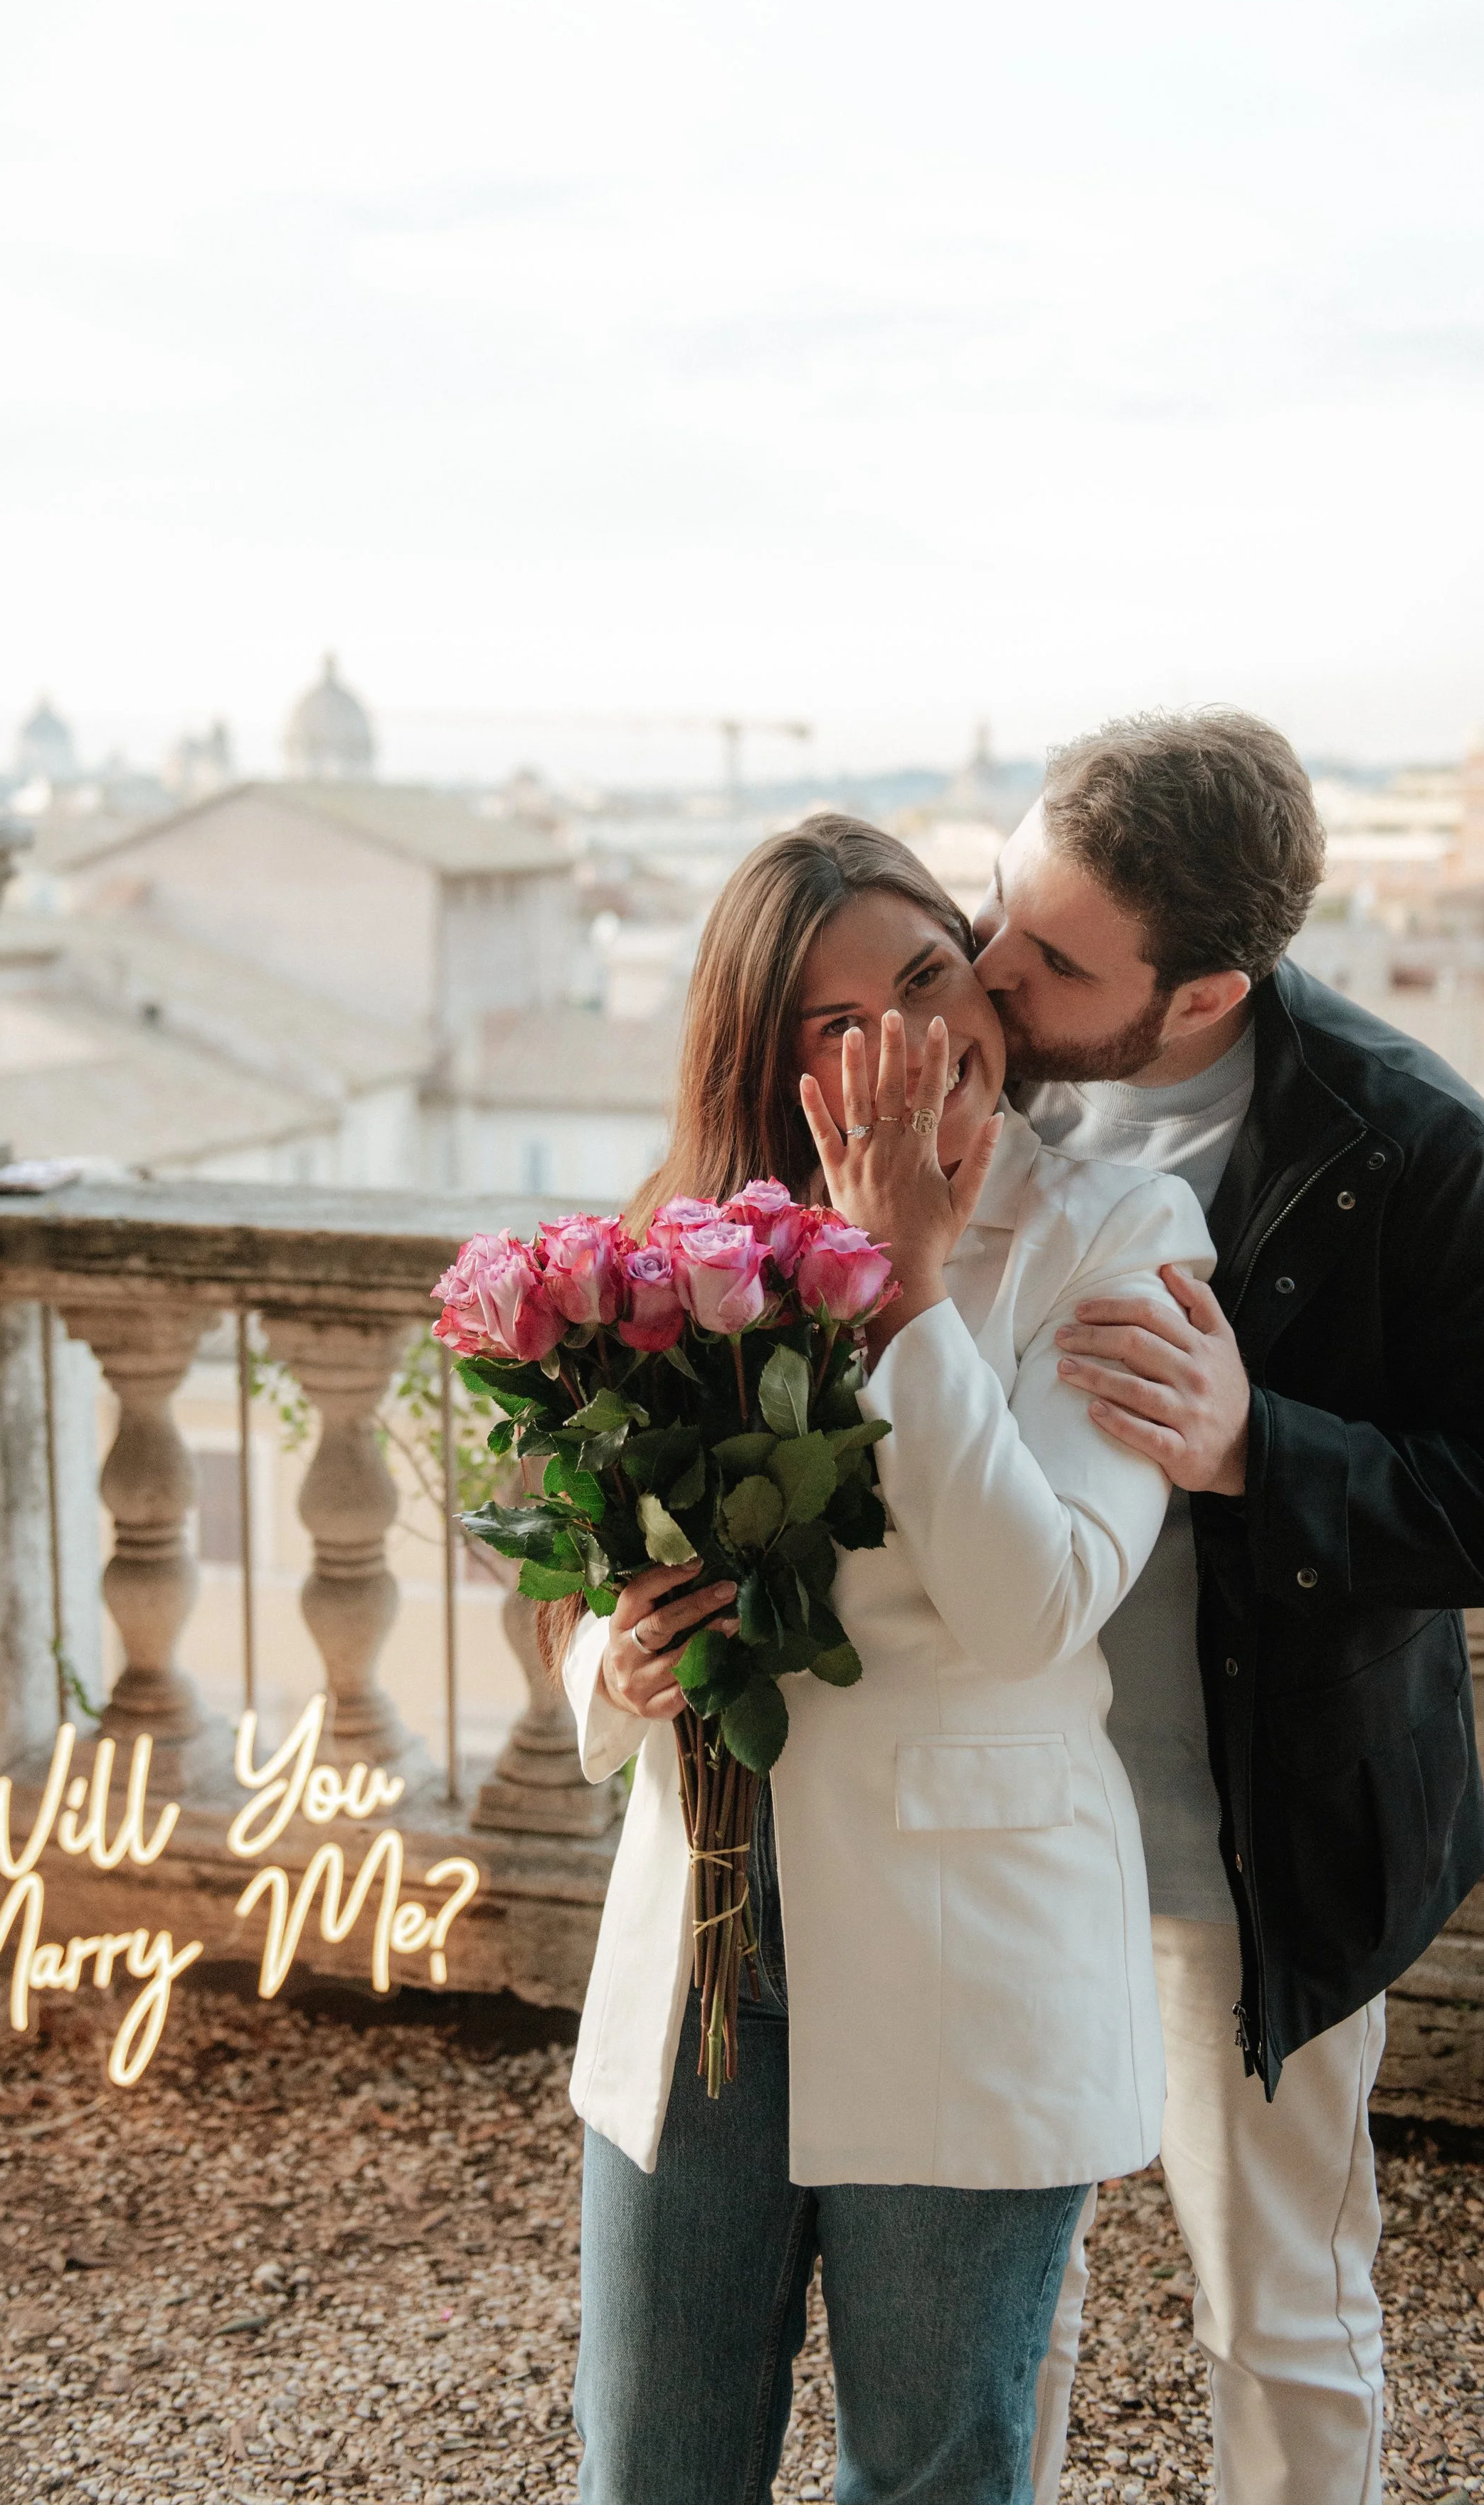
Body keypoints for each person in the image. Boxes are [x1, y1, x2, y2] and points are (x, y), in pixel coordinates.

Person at [556, 816, 1214, 2505]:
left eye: (925, 978)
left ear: (978, 962)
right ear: (768, 1070)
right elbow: (592, 1605)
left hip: (961, 1948)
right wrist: (614, 1674)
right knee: (650, 2469)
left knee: (928, 2471)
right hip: (705, 1943)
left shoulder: (1119, 1233)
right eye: (832, 1029)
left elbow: (1034, 1603)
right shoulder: (688, 1245)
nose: (901, 1043)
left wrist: (909, 1288)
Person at [968, 710, 1484, 2505]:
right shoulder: (953, 1045)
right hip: (993, 1817)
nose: (984, 967)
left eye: (1052, 957)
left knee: (1280, 2314)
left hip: (1263, 1844)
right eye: (1000, 906)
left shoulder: (1424, 1150)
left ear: (1202, 994)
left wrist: (1259, 1452)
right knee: (997, 2308)